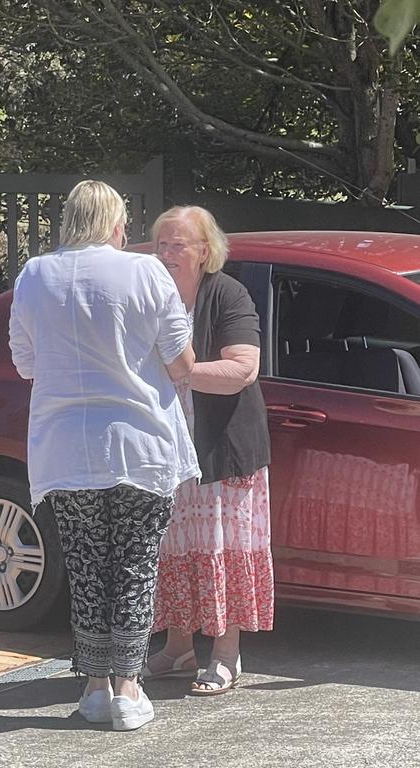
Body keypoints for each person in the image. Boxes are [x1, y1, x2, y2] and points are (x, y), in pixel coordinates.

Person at [8, 182, 200, 731]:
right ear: (117, 225)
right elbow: (181, 362)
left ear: (69, 220)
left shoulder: (35, 275)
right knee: (134, 567)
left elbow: (25, 364)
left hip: (66, 446)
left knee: (89, 567)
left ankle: (94, 687)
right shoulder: (144, 272)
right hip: (139, 443)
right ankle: (128, 688)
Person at [145, 205, 274, 694]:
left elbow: (243, 369)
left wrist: (182, 372)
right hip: (169, 449)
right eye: (162, 244)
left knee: (223, 549)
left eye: (178, 244)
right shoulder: (154, 296)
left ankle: (225, 655)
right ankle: (178, 648)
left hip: (224, 451)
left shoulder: (228, 294)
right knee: (175, 548)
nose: (168, 253)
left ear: (205, 251)